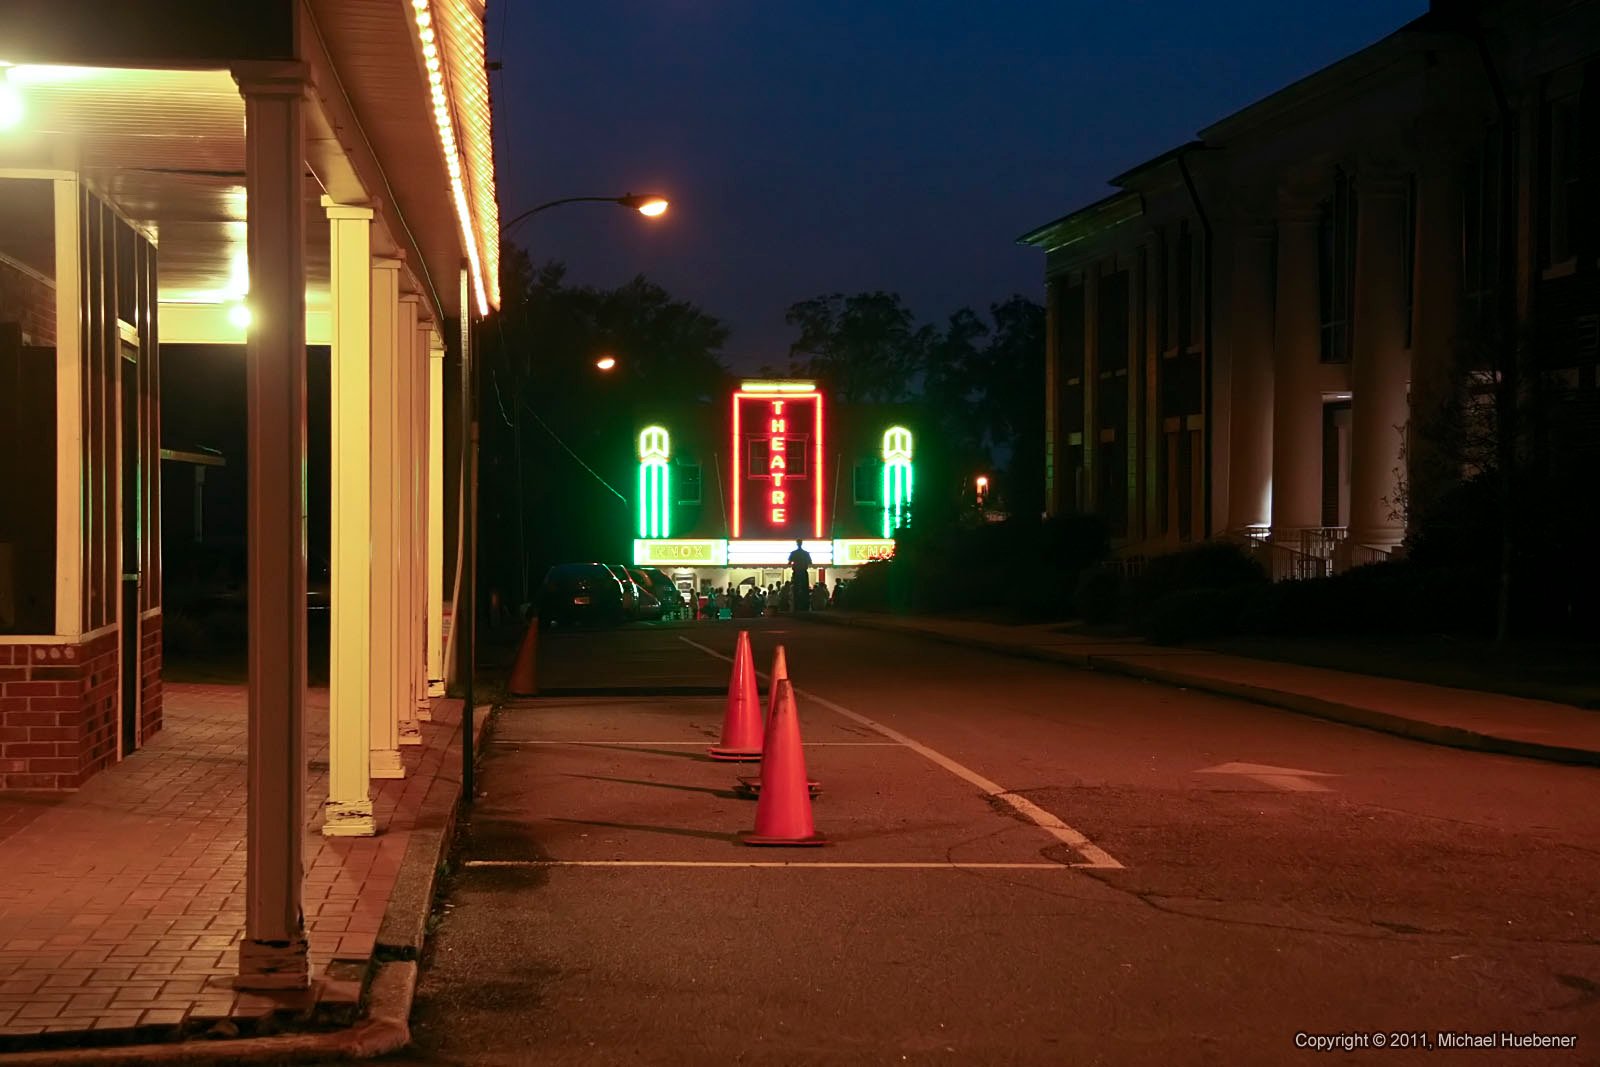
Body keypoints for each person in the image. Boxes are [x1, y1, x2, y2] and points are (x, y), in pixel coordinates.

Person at [788, 539, 812, 611]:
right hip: (803, 572)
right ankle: (804, 606)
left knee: (796, 589)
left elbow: (789, 562)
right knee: (804, 589)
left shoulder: (793, 553)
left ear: (797, 544)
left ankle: (796, 606)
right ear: (802, 543)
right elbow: (810, 562)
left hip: (796, 572)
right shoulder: (806, 553)